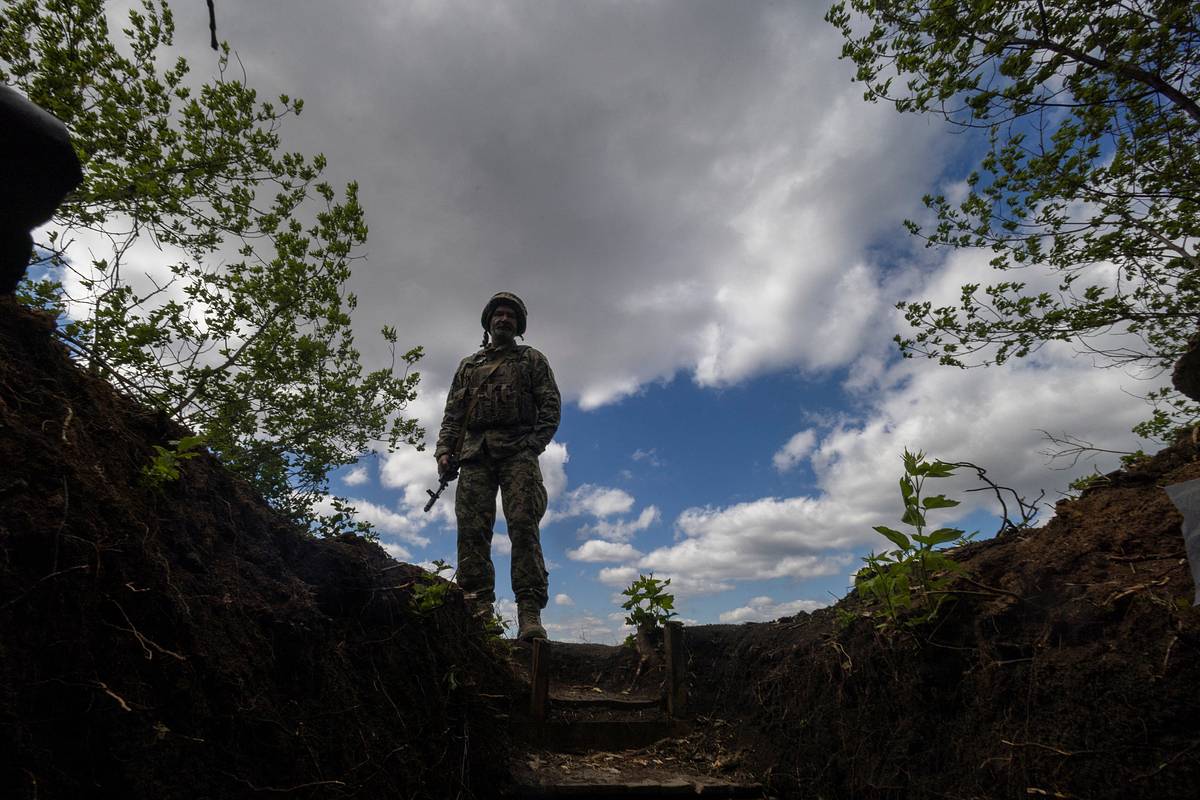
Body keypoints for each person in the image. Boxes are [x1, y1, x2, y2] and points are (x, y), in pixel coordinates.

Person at [435, 292, 560, 640]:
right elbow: (452, 415)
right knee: (472, 532)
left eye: (510, 316)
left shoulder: (532, 360)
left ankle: (529, 613)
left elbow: (550, 406)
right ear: (488, 323)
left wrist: (533, 444)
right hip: (475, 455)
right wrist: (445, 451)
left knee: (523, 526)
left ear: (518, 325)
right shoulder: (468, 366)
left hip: (518, 452)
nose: (503, 319)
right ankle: (478, 610)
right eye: (498, 315)